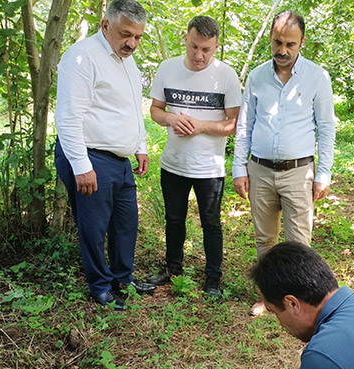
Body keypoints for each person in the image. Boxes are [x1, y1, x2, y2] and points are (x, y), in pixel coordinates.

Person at [54, 0, 155, 311]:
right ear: (105, 26)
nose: (132, 43)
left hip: (120, 160)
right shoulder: (83, 57)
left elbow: (130, 107)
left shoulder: (128, 61)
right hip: (90, 156)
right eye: (126, 34)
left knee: (126, 223)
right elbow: (69, 116)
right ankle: (100, 286)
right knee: (94, 228)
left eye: (138, 37)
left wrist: (140, 144)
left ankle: (123, 278)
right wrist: (81, 165)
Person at [231, 11, 335, 314]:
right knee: (265, 240)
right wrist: (239, 168)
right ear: (271, 39)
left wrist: (324, 173)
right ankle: (270, 297)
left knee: (299, 243)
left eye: (290, 44)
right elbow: (244, 126)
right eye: (278, 42)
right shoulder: (257, 76)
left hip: (299, 172)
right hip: (260, 170)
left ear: (302, 42)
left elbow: (326, 128)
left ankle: (300, 299)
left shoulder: (317, 77)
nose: (283, 50)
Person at [146, 16, 242, 298]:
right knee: (174, 219)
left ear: (216, 47)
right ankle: (173, 269)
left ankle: (213, 278)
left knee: (210, 222)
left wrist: (200, 126)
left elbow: (235, 124)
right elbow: (155, 110)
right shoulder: (167, 69)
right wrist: (171, 119)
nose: (199, 55)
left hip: (208, 167)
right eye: (194, 47)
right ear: (185, 41)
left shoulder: (227, 75)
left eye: (206, 50)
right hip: (173, 163)